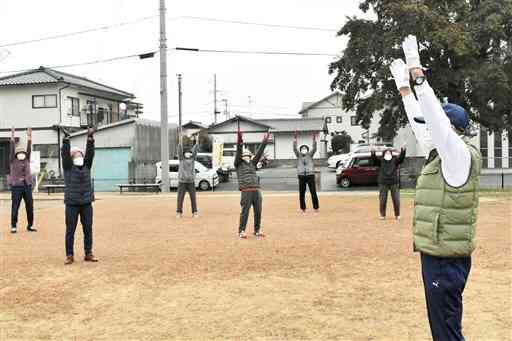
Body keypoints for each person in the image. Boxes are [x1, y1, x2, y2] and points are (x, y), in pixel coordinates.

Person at [390, 35, 481, 341]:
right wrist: (404, 90)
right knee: (443, 328)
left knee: (446, 332)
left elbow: (436, 125)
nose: (427, 129)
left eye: (436, 125)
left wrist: (418, 74)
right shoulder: (439, 153)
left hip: (446, 260)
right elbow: (422, 126)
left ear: (451, 129)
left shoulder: (457, 156)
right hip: (437, 254)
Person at [61, 127, 98, 265]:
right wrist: (66, 140)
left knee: (88, 228)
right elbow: (64, 154)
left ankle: (88, 253)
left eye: (80, 154)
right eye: (75, 155)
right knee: (70, 230)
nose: (79, 156)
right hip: (71, 203)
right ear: (71, 158)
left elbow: (90, 154)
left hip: (86, 203)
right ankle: (69, 255)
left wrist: (90, 138)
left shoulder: (87, 166)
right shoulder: (68, 167)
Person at [234, 129, 269, 239]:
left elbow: (259, 152)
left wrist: (265, 140)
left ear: (250, 156)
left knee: (258, 211)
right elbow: (239, 151)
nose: (246, 157)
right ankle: (241, 231)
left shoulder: (253, 164)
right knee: (245, 212)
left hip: (256, 190)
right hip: (246, 190)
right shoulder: (238, 164)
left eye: (248, 155)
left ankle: (257, 230)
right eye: (244, 155)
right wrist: (240, 140)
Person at [9, 127, 36, 234]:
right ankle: (13, 225)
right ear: (16, 154)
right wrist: (12, 135)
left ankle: (30, 225)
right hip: (16, 186)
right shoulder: (13, 160)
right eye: (19, 152)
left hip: (27, 186)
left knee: (30, 205)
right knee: (15, 206)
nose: (22, 154)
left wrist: (29, 137)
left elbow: (29, 148)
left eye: (23, 152)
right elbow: (11, 148)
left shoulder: (27, 159)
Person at [370, 146, 406, 220]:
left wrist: (403, 150)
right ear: (383, 154)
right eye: (386, 153)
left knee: (396, 199)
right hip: (383, 183)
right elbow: (374, 160)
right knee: (382, 200)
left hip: (394, 182)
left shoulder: (395, 161)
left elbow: (401, 158)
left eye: (389, 153)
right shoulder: (381, 161)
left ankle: (397, 215)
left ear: (391, 154)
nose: (388, 154)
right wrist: (373, 152)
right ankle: (382, 215)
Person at [293, 131, 319, 213]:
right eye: (302, 149)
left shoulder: (310, 155)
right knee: (301, 193)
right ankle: (303, 208)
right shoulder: (298, 155)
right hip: (301, 176)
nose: (304, 150)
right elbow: (294, 149)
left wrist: (314, 139)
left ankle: (316, 208)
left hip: (310, 175)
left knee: (313, 192)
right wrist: (295, 138)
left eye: (305, 149)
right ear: (300, 150)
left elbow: (314, 148)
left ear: (307, 150)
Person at [176, 137, 199, 218]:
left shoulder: (193, 159)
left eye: (189, 153)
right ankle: (179, 212)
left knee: (193, 198)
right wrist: (179, 142)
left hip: (191, 182)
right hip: (182, 181)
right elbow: (179, 151)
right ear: (184, 153)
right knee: (180, 198)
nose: (188, 154)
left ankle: (195, 212)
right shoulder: (181, 159)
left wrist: (196, 142)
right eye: (186, 152)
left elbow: (195, 151)